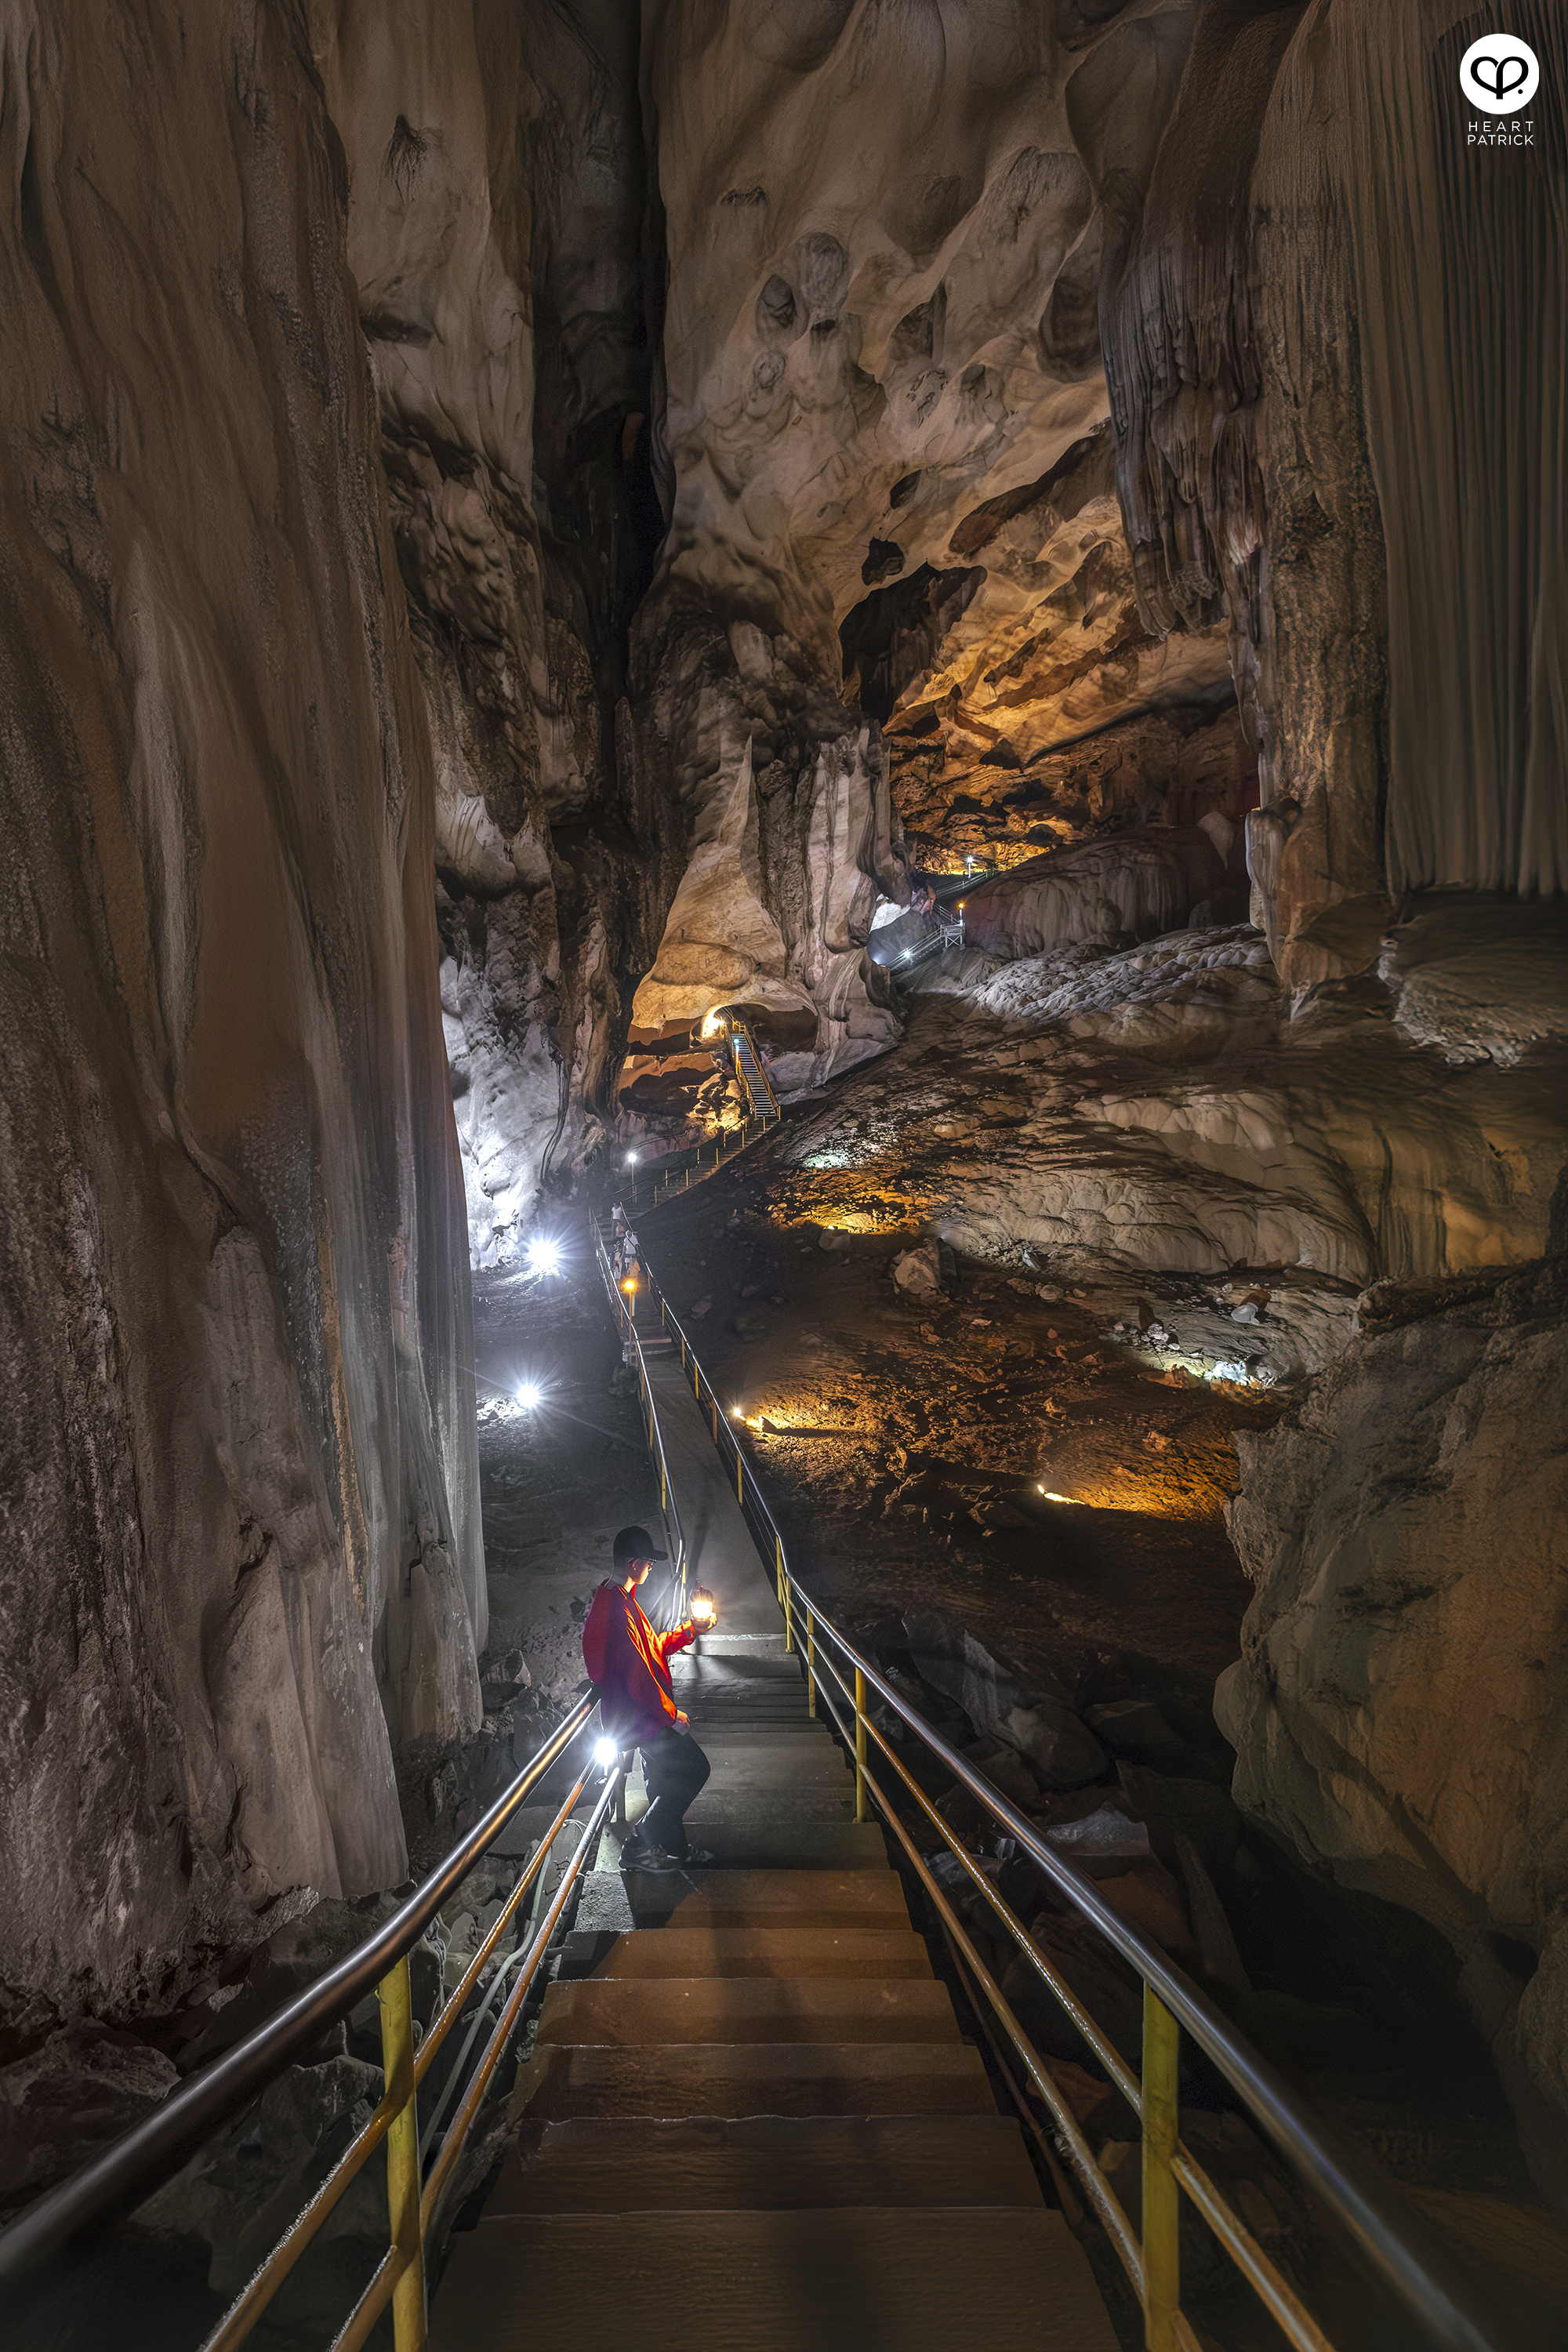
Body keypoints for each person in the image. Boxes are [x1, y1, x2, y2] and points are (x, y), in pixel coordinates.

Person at [581, 1526, 714, 1872]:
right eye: (648, 1562)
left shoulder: (619, 1599)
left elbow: (651, 1648)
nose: (652, 1567)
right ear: (632, 1563)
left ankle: (675, 1850)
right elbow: (638, 1673)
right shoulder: (617, 1609)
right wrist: (670, 1716)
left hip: (638, 1715)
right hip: (641, 1719)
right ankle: (639, 1843)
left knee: (664, 1781)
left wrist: (691, 1630)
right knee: (694, 1769)